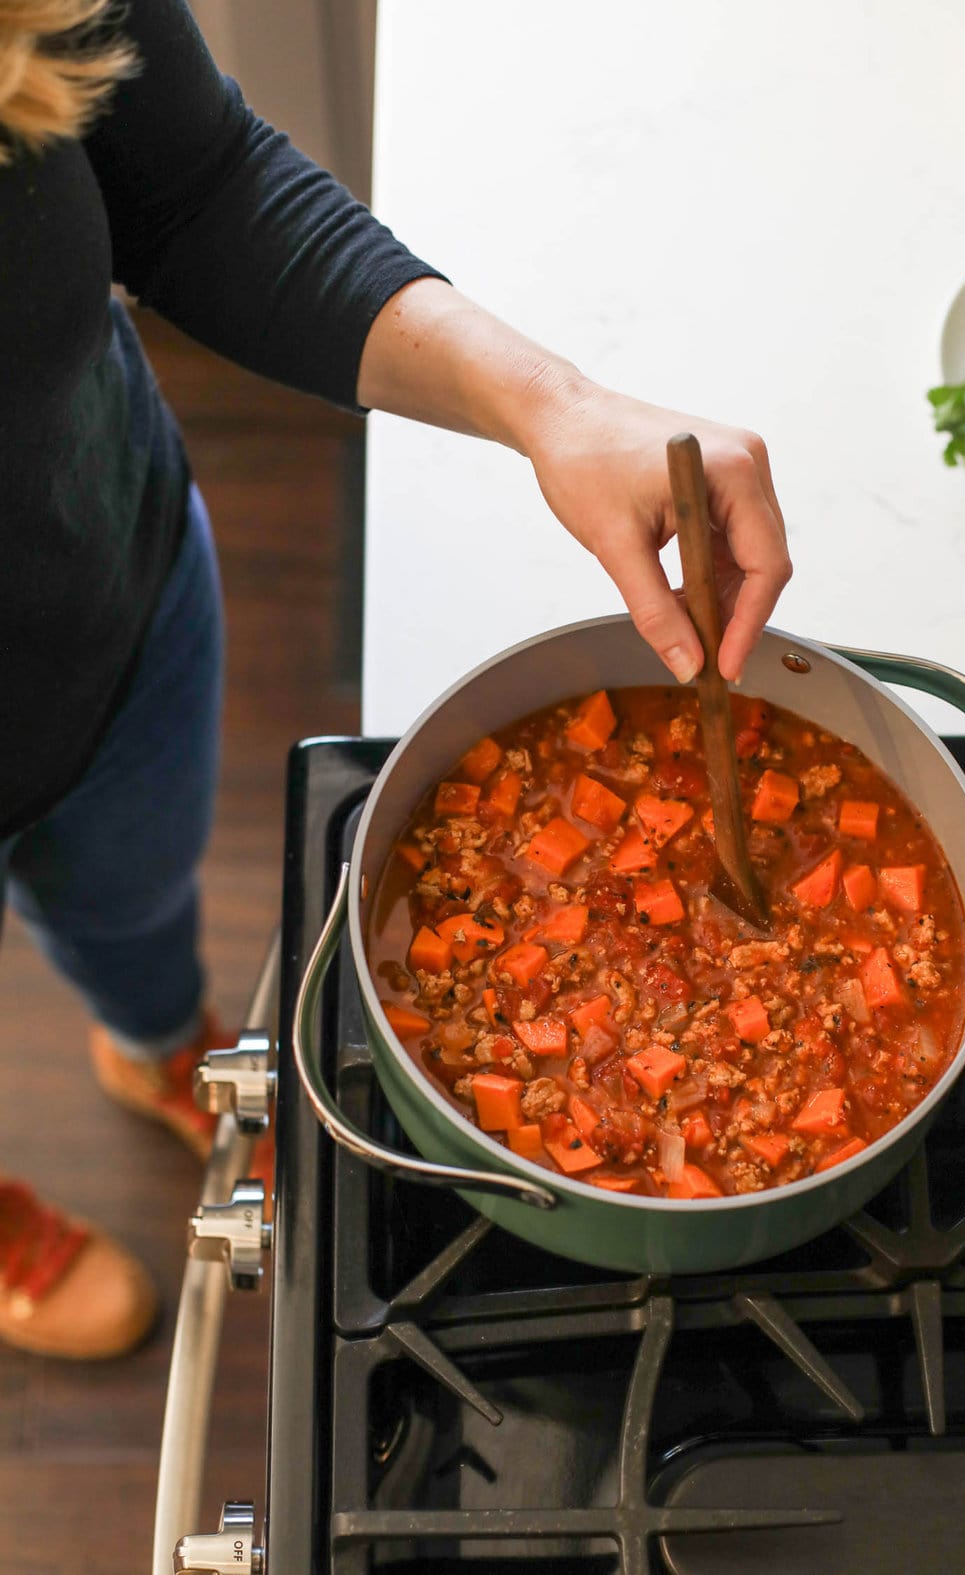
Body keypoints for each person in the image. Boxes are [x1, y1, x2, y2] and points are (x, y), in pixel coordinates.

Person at [0, 0, 791, 1360]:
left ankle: (147, 1037)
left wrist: (555, 405)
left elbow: (192, 189)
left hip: (111, 590)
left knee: (132, 895)